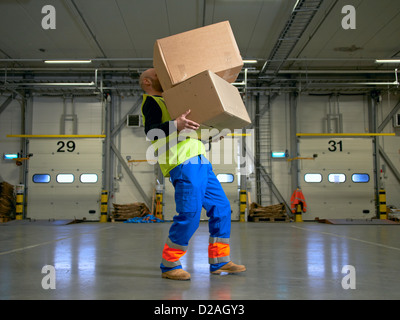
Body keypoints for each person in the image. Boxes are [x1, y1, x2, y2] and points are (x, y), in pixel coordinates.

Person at [139, 68, 246, 280]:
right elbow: (152, 132)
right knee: (190, 215)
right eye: (158, 73)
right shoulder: (152, 102)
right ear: (147, 82)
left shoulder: (174, 103)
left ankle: (220, 262)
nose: (164, 74)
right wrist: (176, 124)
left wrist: (209, 136)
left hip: (200, 162)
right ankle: (169, 265)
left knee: (222, 208)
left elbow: (189, 135)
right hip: (181, 163)